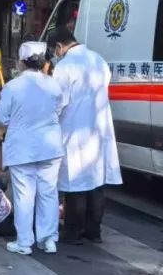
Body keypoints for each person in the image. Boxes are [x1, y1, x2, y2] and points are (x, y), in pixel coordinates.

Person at [50, 26, 122, 244]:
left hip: (75, 130)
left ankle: (73, 231)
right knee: (96, 183)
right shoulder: (99, 60)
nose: (55, 56)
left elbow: (58, 102)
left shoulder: (65, 66)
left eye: (55, 51)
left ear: (59, 47)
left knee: (75, 184)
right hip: (98, 130)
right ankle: (94, 231)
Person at [0, 42, 67, 254]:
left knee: (24, 195)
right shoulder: (53, 85)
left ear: (21, 62)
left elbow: (1, 117)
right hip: (50, 148)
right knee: (48, 193)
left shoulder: (12, 86)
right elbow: (59, 109)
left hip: (22, 148)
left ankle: (24, 242)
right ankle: (49, 240)